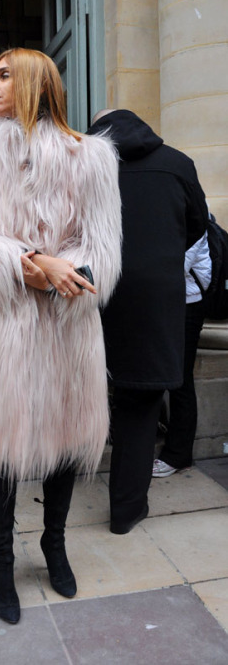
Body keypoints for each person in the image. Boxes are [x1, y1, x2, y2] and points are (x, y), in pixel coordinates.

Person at [0, 48, 122, 624]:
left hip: (68, 326)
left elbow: (104, 249)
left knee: (65, 439)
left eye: (3, 75)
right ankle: (1, 560)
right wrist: (29, 261)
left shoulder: (90, 156)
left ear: (34, 84)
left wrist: (60, 271)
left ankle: (54, 543)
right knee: (1, 447)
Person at [86, 109, 208, 534]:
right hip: (155, 298)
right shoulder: (177, 163)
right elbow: (198, 228)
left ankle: (59, 511)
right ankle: (126, 508)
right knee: (139, 402)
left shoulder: (85, 161)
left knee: (81, 395)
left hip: (90, 293)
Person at [153, 231, 211, 477]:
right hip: (169, 301)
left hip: (187, 303)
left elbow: (176, 265)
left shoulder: (191, 205)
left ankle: (179, 455)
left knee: (181, 380)